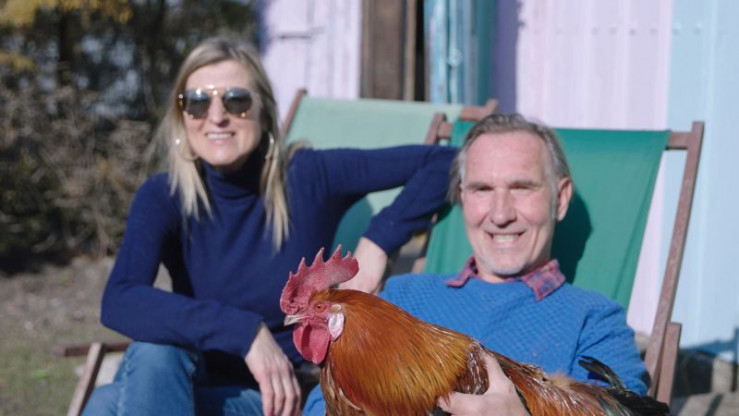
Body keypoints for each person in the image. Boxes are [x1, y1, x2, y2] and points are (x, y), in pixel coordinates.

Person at [82, 36, 455, 416]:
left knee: (105, 404)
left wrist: (377, 242)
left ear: (263, 111)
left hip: (275, 397)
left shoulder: (308, 177)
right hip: (189, 382)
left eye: (236, 100)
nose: (216, 116)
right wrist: (244, 332)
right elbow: (120, 299)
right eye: (197, 102)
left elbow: (445, 162)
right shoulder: (165, 196)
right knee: (153, 353)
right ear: (183, 118)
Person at [302, 113, 649, 415]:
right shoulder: (400, 297)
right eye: (483, 189)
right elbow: (322, 402)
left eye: (522, 187)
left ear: (561, 199)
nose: (500, 214)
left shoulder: (595, 319)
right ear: (462, 196)